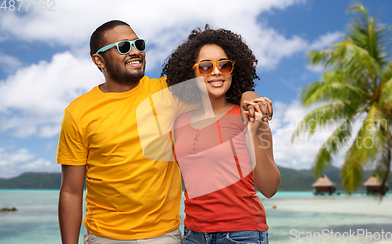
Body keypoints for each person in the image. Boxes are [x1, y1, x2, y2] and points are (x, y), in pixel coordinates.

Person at [57, 20, 272, 244]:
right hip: (103, 237)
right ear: (99, 60)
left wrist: (249, 95)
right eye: (123, 47)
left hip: (165, 236)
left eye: (139, 44)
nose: (135, 52)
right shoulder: (78, 113)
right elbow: (71, 191)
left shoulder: (169, 92)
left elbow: (219, 85)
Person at [162, 26, 281, 244]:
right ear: (193, 73)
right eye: (206, 67)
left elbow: (270, 188)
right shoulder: (179, 121)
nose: (216, 72)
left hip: (242, 234)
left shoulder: (249, 114)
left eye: (224, 65)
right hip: (193, 235)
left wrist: (254, 132)